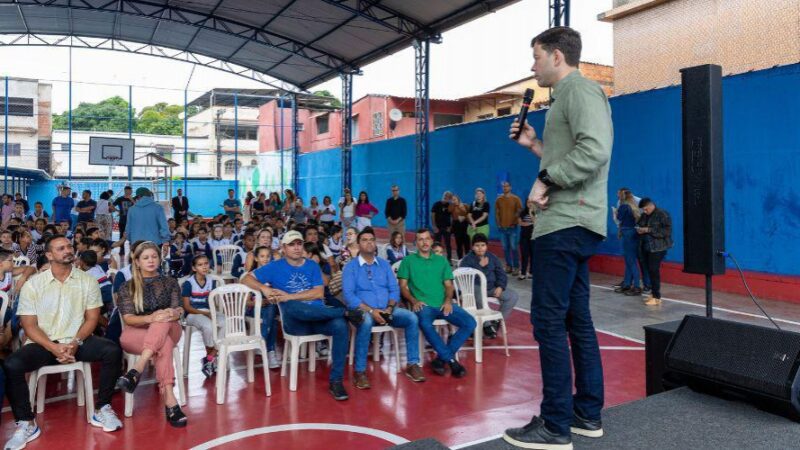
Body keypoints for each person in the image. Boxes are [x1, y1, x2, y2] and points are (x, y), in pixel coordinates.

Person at [504, 26, 613, 449]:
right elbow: (573, 150)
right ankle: (586, 414)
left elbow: (595, 150)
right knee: (575, 319)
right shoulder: (567, 99)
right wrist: (536, 147)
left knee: (548, 321)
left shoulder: (580, 91)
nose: (532, 66)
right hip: (574, 223)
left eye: (535, 57)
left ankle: (554, 426)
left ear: (555, 56)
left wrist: (545, 179)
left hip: (564, 224)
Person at [3, 236, 123, 450]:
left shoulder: (87, 280)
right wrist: (53, 347)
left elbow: (92, 319)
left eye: (69, 246)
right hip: (43, 344)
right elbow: (29, 326)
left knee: (112, 350)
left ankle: (102, 408)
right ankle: (26, 423)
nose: (68, 250)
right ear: (49, 255)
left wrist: (75, 343)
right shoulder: (34, 284)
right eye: (61, 248)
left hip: (77, 341)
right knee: (12, 364)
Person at [241, 230, 365, 401]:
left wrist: (289, 296)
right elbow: (245, 279)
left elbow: (319, 293)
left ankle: (336, 380)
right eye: (291, 244)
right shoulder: (275, 266)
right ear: (283, 248)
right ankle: (344, 313)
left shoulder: (312, 265)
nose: (296, 247)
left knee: (340, 326)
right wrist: (264, 288)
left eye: (299, 243)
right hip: (295, 323)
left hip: (319, 318)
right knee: (293, 307)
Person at [342, 227, 426, 389]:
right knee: (366, 322)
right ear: (358, 244)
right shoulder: (351, 267)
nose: (369, 243)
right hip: (364, 311)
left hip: (387, 310)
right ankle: (360, 372)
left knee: (411, 318)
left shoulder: (384, 265)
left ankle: (412, 364)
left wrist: (389, 308)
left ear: (376, 244)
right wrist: (372, 311)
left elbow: (394, 289)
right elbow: (349, 296)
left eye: (371, 240)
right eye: (365, 240)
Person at [116, 242, 188, 427]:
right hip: (137, 333)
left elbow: (179, 308)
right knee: (163, 342)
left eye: (154, 257)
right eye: (146, 257)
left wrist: (174, 313)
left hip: (170, 327)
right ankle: (170, 400)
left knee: (162, 321)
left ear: (159, 258)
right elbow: (129, 318)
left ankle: (136, 369)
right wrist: (151, 318)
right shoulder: (127, 286)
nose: (151, 260)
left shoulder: (170, 282)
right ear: (137, 261)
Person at [397, 229, 476, 378]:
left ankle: (441, 359)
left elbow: (448, 285)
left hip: (443, 303)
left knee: (470, 322)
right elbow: (402, 287)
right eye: (420, 239)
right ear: (416, 243)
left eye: (427, 239)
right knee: (426, 324)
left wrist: (447, 301)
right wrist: (413, 300)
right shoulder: (408, 261)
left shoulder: (441, 261)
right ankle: (452, 362)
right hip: (423, 305)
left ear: (432, 241)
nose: (424, 242)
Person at [458, 233, 519, 338]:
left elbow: (501, 274)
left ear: (486, 246)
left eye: (483, 245)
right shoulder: (467, 260)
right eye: (477, 245)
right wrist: (480, 266)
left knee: (512, 296)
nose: (480, 248)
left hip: (492, 288)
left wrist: (500, 286)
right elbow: (465, 278)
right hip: (475, 289)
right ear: (472, 247)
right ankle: (486, 325)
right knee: (477, 291)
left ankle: (496, 322)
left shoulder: (492, 257)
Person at [181, 255, 223, 377]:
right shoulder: (189, 283)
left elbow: (213, 303)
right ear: (194, 268)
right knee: (209, 326)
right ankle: (210, 360)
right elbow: (187, 307)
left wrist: (213, 313)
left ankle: (210, 357)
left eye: (206, 263)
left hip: (209, 312)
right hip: (193, 314)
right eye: (200, 265)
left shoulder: (212, 281)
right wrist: (206, 314)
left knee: (227, 322)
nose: (204, 266)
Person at [636, 198, 673, 306]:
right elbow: (640, 224)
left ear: (651, 205)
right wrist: (639, 228)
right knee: (649, 270)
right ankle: (653, 294)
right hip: (646, 247)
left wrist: (648, 230)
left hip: (658, 248)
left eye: (646, 209)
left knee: (653, 270)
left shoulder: (663, 214)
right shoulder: (644, 215)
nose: (644, 211)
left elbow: (667, 232)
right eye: (643, 210)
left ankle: (657, 297)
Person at [126, 187, 171, 254]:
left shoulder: (132, 209)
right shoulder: (158, 207)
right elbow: (164, 226)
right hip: (154, 243)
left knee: (139, 263)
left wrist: (130, 240)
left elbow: (128, 228)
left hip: (137, 244)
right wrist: (166, 241)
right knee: (153, 263)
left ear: (138, 196)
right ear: (149, 195)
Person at [615, 189, 643, 296]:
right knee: (629, 260)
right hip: (633, 232)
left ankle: (636, 286)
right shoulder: (634, 206)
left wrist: (616, 213)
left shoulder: (623, 206)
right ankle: (627, 284)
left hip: (626, 232)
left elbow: (619, 218)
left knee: (630, 260)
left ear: (622, 196)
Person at [495, 181, 523, 276]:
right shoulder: (499, 199)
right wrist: (499, 224)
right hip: (502, 228)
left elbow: (519, 211)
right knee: (505, 248)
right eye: (503, 186)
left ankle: (516, 267)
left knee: (514, 248)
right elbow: (497, 213)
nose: (505, 188)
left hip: (512, 228)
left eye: (507, 186)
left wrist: (514, 222)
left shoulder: (516, 199)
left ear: (510, 187)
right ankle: (508, 266)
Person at [431, 191, 453, 262]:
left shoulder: (450, 206)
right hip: (438, 227)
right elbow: (432, 215)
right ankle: (435, 259)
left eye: (448, 196)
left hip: (447, 228)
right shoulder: (436, 204)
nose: (446, 197)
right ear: (443, 196)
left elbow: (452, 217)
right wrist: (434, 226)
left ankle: (449, 260)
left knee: (448, 244)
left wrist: (450, 227)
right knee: (436, 244)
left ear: (449, 198)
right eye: (445, 195)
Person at [518, 199, 536, 280]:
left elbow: (536, 222)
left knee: (533, 255)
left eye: (531, 202)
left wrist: (530, 213)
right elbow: (520, 223)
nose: (530, 204)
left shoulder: (536, 212)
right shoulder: (522, 212)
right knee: (524, 255)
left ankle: (531, 272)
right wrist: (530, 224)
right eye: (528, 202)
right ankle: (523, 273)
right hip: (524, 237)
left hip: (533, 237)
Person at [449, 194, 470, 260]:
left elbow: (470, 215)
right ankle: (460, 260)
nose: (454, 201)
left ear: (458, 199)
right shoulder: (451, 206)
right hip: (457, 226)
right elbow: (449, 212)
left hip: (465, 225)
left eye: (455, 199)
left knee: (467, 245)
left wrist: (464, 217)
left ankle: (468, 260)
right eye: (452, 200)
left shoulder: (465, 205)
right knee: (459, 245)